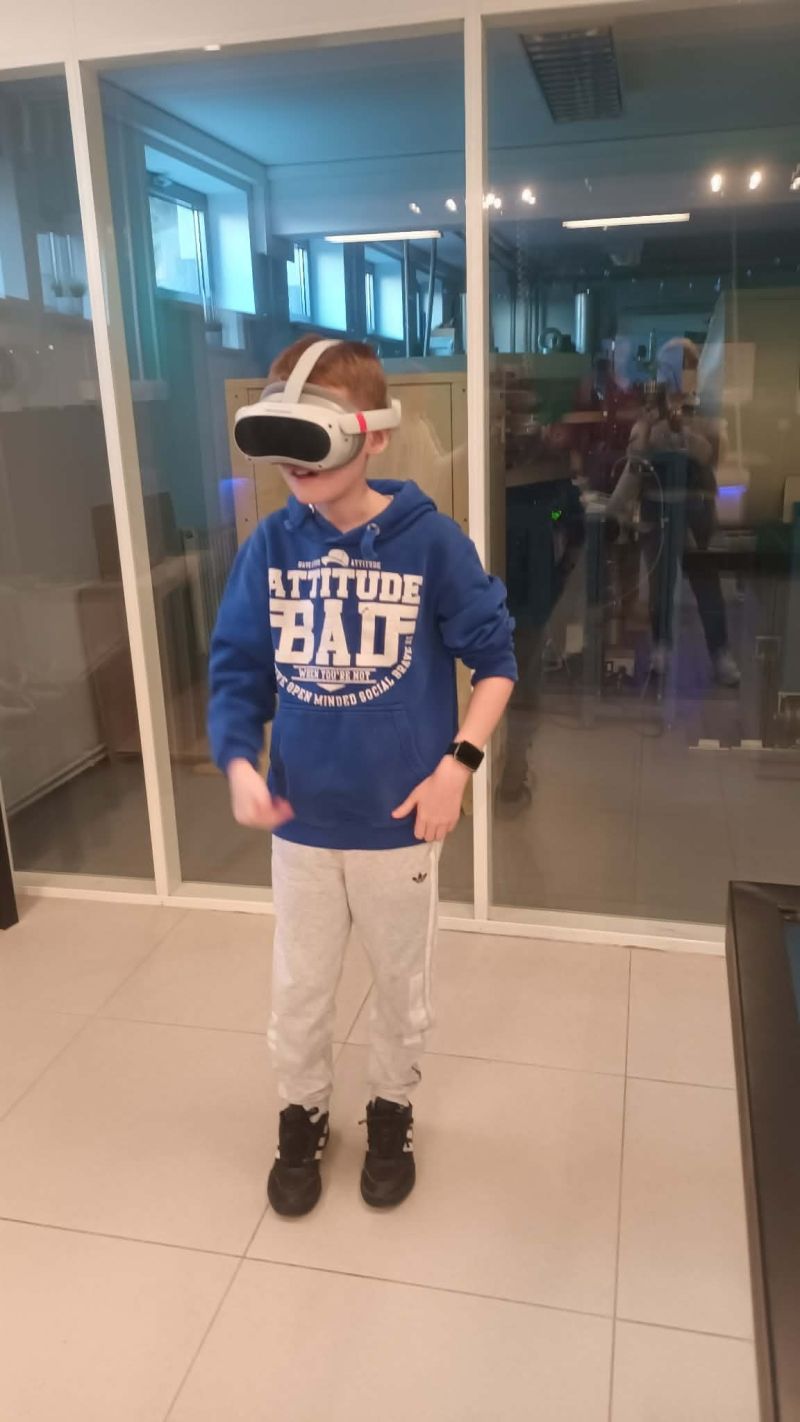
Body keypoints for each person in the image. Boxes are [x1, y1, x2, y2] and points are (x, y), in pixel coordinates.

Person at [208, 336, 516, 1217]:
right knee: (299, 992)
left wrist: (458, 765)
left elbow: (496, 662)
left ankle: (390, 1110)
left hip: (399, 825)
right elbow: (238, 668)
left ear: (371, 436)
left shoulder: (432, 543)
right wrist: (238, 759)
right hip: (302, 826)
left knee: (400, 990)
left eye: (314, 440)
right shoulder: (271, 546)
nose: (296, 466)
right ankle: (302, 1112)